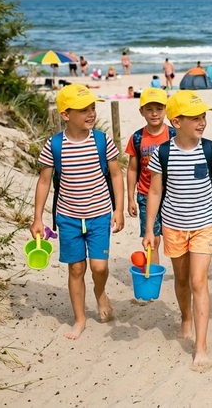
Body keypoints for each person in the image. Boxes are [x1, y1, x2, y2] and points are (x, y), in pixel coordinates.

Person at [142, 90, 212, 372]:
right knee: (181, 280)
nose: (202, 122)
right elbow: (155, 191)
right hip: (173, 226)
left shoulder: (210, 149)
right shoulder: (163, 152)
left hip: (205, 224)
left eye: (204, 116)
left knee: (198, 281)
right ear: (177, 122)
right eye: (195, 118)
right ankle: (185, 317)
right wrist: (150, 229)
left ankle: (201, 346)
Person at [29, 84, 125, 340]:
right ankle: (80, 319)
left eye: (92, 108)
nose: (91, 114)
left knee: (100, 267)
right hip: (68, 217)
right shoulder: (55, 145)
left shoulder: (102, 140)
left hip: (100, 214)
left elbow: (116, 175)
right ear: (65, 115)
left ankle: (100, 292)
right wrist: (38, 218)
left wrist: (119, 209)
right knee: (76, 269)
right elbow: (44, 181)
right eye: (83, 110)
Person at [125, 87, 174, 264]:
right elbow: (132, 169)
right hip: (145, 194)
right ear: (141, 112)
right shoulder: (137, 137)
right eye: (149, 109)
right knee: (152, 238)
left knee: (175, 237)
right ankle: (153, 274)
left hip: (172, 195)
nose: (154, 114)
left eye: (159, 109)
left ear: (166, 110)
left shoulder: (174, 134)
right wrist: (130, 198)